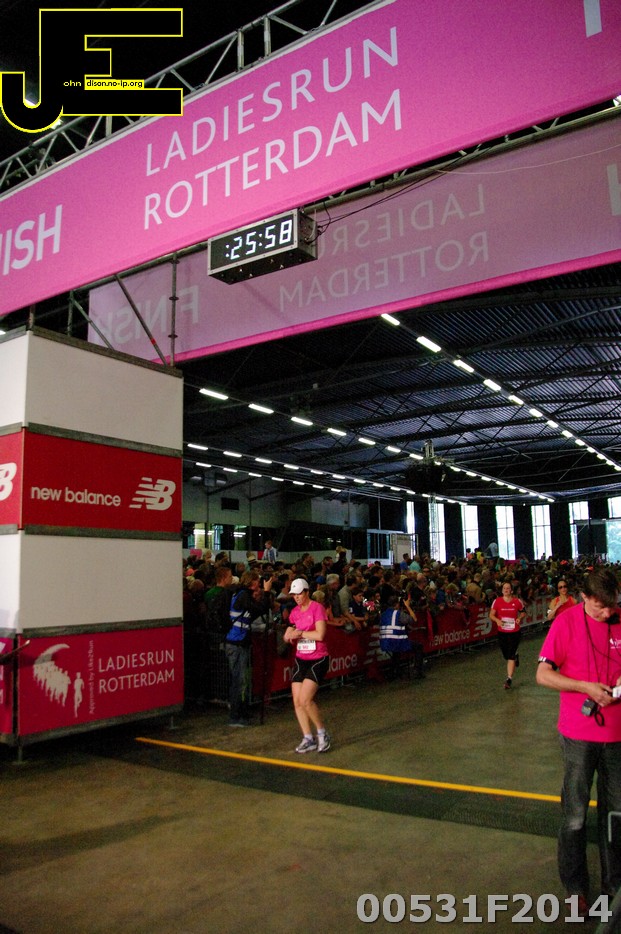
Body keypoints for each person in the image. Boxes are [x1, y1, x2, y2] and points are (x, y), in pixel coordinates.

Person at [536, 568, 621, 914]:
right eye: (601, 607)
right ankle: (575, 889)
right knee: (574, 815)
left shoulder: (618, 618)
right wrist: (584, 687)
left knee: (616, 814)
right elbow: (543, 674)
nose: (608, 612)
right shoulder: (566, 622)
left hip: (617, 736)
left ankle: (614, 886)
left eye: (612, 605)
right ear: (584, 598)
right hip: (578, 735)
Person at [283, 578, 331, 753]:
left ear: (307, 592)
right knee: (297, 701)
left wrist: (301, 633)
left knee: (306, 699)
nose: (296, 597)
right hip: (301, 658)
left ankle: (322, 733)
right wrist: (289, 634)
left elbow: (320, 634)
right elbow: (289, 630)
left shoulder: (317, 608)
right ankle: (308, 738)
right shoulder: (295, 612)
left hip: (318, 658)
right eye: (294, 595)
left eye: (299, 594)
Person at [224, 569, 274, 727]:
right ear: (251, 582)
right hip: (236, 643)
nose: (259, 584)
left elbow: (259, 610)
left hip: (240, 642)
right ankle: (236, 716)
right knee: (239, 680)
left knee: (242, 680)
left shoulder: (241, 595)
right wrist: (266, 592)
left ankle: (241, 713)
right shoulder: (243, 595)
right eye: (257, 581)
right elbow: (258, 609)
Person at [489, 580, 526, 689]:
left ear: (511, 590)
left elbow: (523, 612)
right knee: (506, 655)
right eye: (504, 588)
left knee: (510, 655)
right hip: (502, 632)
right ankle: (515, 654)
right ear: (502, 590)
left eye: (508, 588)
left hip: (514, 632)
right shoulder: (497, 601)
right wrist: (497, 620)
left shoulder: (517, 601)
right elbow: (491, 615)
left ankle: (509, 679)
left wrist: (519, 618)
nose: (506, 590)